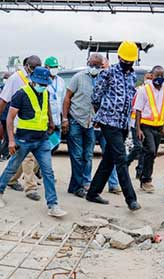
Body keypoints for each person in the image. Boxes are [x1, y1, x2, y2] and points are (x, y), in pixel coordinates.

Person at [0, 67, 66, 218]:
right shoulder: (21, 94)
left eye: (45, 84)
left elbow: (46, 109)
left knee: (48, 173)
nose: (43, 86)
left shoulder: (45, 92)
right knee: (12, 168)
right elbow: (10, 118)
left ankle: (53, 205)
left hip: (42, 140)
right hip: (23, 140)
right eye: (41, 84)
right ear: (32, 80)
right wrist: (11, 140)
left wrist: (51, 123)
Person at [86, 41, 140, 211]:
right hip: (109, 121)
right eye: (126, 61)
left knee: (109, 159)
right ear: (119, 57)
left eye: (131, 61)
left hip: (123, 122)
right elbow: (96, 96)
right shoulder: (107, 73)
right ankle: (131, 199)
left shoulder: (132, 76)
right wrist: (103, 114)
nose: (128, 64)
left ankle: (93, 193)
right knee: (120, 159)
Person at [0, 56, 42, 200]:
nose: (35, 70)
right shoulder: (15, 78)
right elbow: (3, 101)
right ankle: (30, 187)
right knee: (28, 157)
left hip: (35, 126)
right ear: (26, 66)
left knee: (21, 155)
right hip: (18, 124)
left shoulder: (38, 79)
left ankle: (12, 179)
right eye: (33, 67)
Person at [131, 65, 164, 193]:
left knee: (152, 153)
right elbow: (138, 110)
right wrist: (138, 128)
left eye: (162, 76)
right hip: (146, 125)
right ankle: (146, 180)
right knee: (150, 151)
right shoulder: (144, 90)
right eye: (157, 75)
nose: (160, 78)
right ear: (152, 76)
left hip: (159, 126)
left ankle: (142, 174)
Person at [62, 53, 103, 198]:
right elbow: (67, 98)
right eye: (92, 64)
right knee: (77, 156)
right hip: (75, 120)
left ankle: (80, 184)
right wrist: (65, 119)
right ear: (88, 62)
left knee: (88, 155)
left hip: (90, 123)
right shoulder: (78, 77)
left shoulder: (101, 79)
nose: (94, 68)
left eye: (97, 66)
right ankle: (78, 186)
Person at [44, 56, 65, 147]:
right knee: (45, 146)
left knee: (55, 144)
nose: (54, 69)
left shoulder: (61, 81)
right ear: (46, 67)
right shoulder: (42, 81)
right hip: (47, 121)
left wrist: (64, 118)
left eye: (56, 67)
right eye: (52, 67)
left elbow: (63, 100)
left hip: (57, 120)